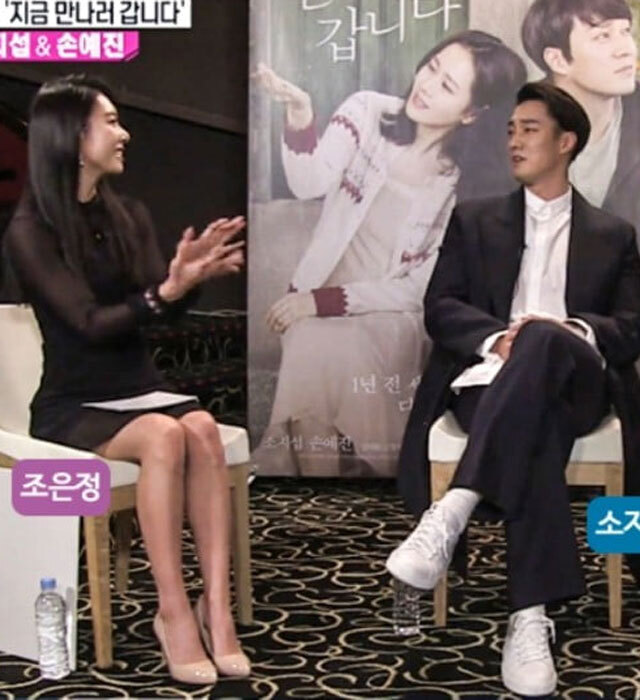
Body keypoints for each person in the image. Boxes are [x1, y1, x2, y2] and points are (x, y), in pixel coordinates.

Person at [388, 82, 640, 697]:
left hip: (579, 383)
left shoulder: (613, 233)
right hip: (490, 380)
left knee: (546, 339)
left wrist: (566, 331)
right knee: (535, 430)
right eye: (510, 130)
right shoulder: (475, 219)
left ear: (566, 141)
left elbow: (631, 329)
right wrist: (499, 338)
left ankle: (455, 506)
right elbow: (440, 306)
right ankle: (529, 617)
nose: (514, 141)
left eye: (529, 129)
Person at [4, 76, 249, 686]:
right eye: (110, 122)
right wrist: (164, 291)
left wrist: (187, 283)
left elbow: (158, 312)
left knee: (201, 427)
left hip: (139, 386)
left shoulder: (127, 214)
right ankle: (173, 613)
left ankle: (216, 609)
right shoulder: (30, 231)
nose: (125, 133)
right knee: (164, 437)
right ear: (73, 136)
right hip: (73, 403)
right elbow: (88, 324)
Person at [254, 31, 527, 477]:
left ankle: (346, 484)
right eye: (431, 67)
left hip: (391, 314)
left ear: (472, 113)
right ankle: (325, 490)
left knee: (317, 340)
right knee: (308, 337)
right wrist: (301, 115)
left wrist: (321, 303)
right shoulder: (367, 112)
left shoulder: (460, 184)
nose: (426, 85)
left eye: (447, 86)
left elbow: (418, 288)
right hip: (312, 297)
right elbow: (308, 182)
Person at [522, 0, 640, 241]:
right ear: (557, 60)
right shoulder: (508, 124)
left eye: (625, 31)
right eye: (603, 36)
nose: (627, 49)